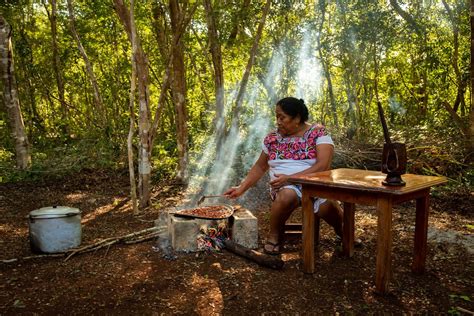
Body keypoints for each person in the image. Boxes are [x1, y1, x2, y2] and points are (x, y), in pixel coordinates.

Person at [224, 97, 344, 255]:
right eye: (276, 117)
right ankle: (274, 236)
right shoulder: (272, 138)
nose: (278, 122)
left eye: (282, 117)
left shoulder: (318, 132)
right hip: (284, 186)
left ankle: (343, 231)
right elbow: (260, 166)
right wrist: (241, 188)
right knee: (287, 195)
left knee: (327, 206)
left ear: (297, 118)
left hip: (315, 183)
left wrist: (291, 178)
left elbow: (322, 166)